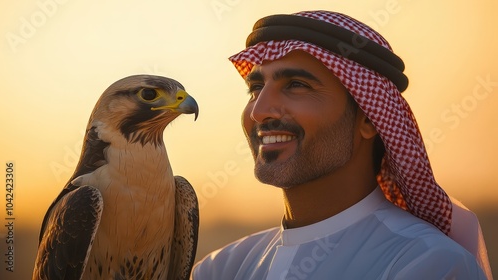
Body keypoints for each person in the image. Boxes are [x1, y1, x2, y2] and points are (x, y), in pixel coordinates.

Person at [192, 10, 492, 279]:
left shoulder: (427, 264)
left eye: (296, 85)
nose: (259, 111)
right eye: (256, 88)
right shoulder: (221, 269)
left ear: (370, 120)